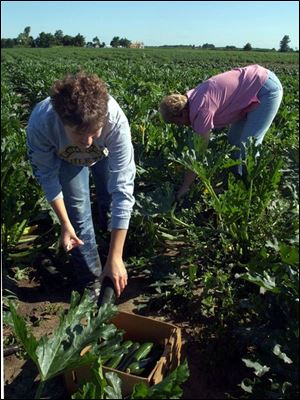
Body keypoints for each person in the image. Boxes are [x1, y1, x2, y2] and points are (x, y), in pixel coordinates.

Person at [26, 71, 136, 298]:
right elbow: (47, 176)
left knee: (109, 196)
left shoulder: (115, 121)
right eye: (79, 135)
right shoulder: (41, 122)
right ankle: (91, 280)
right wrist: (64, 223)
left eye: (93, 133)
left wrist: (115, 256)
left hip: (104, 153)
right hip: (67, 160)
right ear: (61, 120)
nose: (87, 143)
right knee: (78, 215)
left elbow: (123, 189)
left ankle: (111, 250)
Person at [159, 64, 283, 200]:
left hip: (265, 88)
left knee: (248, 146)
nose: (180, 126)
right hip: (250, 90)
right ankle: (236, 186)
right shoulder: (192, 99)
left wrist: (185, 186)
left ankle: (251, 194)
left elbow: (198, 153)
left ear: (181, 114)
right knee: (233, 143)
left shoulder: (201, 109)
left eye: (177, 123)